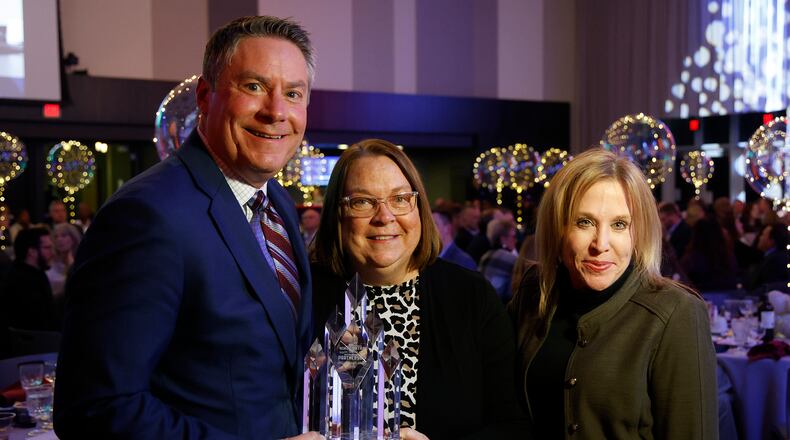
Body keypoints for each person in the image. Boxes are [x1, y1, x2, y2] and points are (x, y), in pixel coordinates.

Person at [54, 16, 321, 439]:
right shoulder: (146, 215)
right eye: (253, 87)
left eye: (293, 93)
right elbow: (96, 409)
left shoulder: (278, 203)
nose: (276, 111)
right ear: (204, 96)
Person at [311, 139, 528, 439]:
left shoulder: (470, 296)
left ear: (419, 208)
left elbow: (512, 425)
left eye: (400, 199)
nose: (384, 217)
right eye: (362, 201)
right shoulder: (305, 295)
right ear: (338, 214)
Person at [508, 148, 717, 439]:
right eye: (585, 222)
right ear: (558, 227)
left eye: (620, 225)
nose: (601, 243)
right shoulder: (536, 290)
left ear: (639, 232)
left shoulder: (676, 312)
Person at [0, 228, 58, 331]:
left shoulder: (36, 274)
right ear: (31, 252)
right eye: (47, 248)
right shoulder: (21, 282)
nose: (52, 253)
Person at [478, 218, 518, 302]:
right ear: (503, 238)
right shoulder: (511, 259)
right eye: (513, 236)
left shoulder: (485, 256)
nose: (516, 240)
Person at [46, 223, 82, 298]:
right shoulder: (49, 262)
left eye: (64, 236)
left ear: (73, 238)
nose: (59, 239)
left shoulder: (80, 261)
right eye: (56, 237)